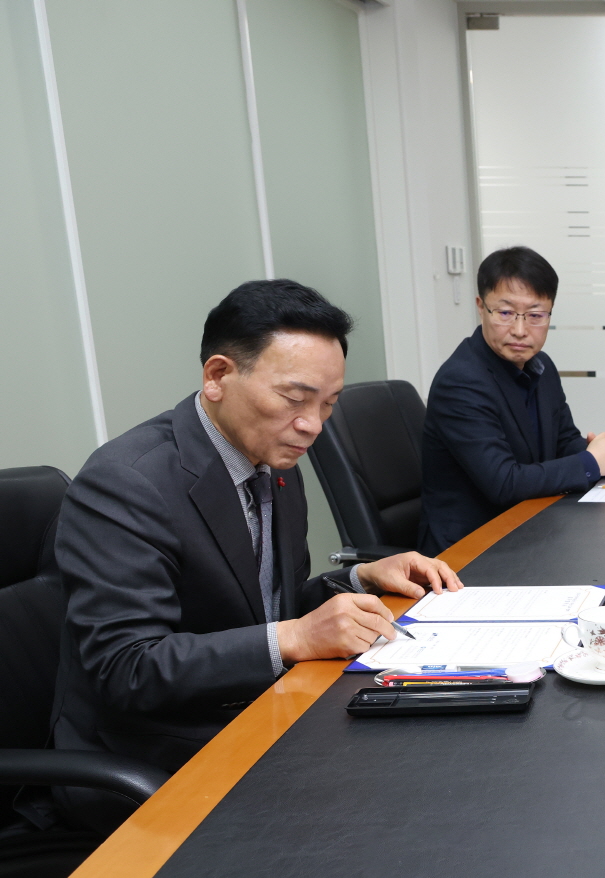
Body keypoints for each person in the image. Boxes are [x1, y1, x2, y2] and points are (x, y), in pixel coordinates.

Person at [49, 280, 463, 833]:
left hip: (254, 713)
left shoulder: (271, 462)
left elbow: (261, 606)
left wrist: (360, 578)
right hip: (151, 753)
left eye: (328, 404)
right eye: (295, 400)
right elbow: (129, 668)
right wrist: (295, 638)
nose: (313, 425)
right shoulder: (128, 484)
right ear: (218, 376)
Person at [419, 247, 605, 553]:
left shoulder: (541, 367)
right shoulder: (461, 381)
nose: (520, 330)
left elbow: (562, 441)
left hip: (531, 529)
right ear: (481, 307)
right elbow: (504, 483)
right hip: (471, 550)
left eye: (535, 315)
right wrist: (590, 463)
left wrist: (599, 452)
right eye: (505, 313)